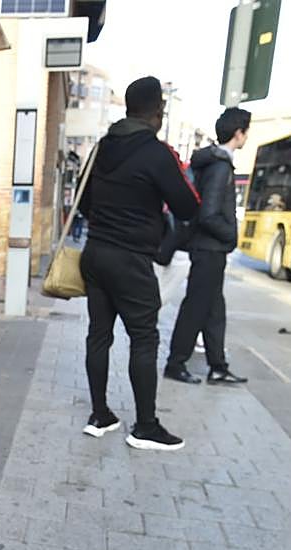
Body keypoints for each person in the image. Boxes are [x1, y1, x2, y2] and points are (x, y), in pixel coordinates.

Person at [75, 76, 200, 451]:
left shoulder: (101, 148)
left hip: (95, 253)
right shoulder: (157, 153)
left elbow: (83, 202)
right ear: (157, 112)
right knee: (144, 338)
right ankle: (145, 425)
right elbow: (188, 206)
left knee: (99, 334)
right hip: (131, 259)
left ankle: (101, 415)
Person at [164, 107, 253, 385]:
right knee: (196, 307)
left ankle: (218, 366)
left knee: (214, 309)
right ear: (239, 134)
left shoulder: (213, 162)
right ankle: (175, 363)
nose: (247, 136)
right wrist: (230, 237)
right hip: (210, 247)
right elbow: (209, 213)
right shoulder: (220, 166)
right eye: (246, 131)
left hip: (207, 247)